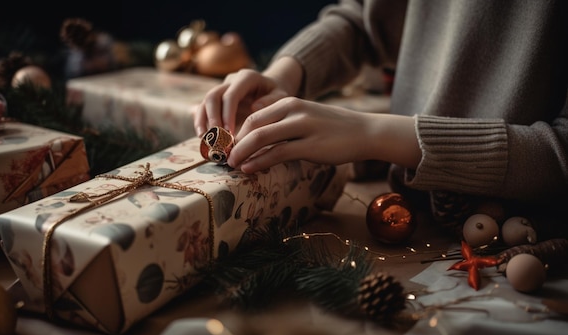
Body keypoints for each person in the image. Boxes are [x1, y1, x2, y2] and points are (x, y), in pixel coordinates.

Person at [194, 0, 568, 238]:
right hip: (403, 213)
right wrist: (284, 74)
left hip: (528, 240)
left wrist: (372, 132)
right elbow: (364, 21)